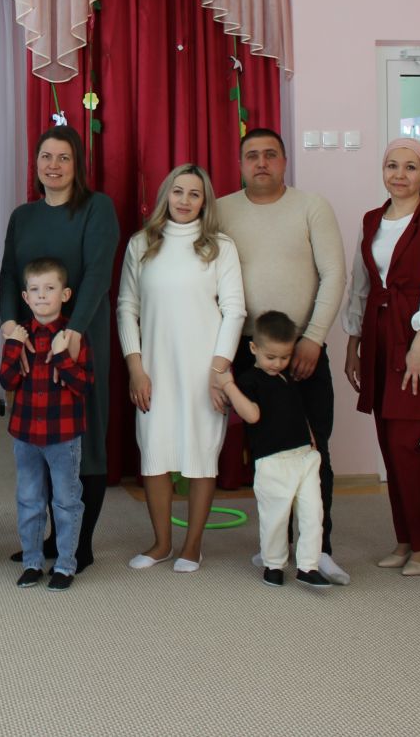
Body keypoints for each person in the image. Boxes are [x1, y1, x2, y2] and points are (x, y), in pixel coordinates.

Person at [217, 128, 351, 584]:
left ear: (284, 161)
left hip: (303, 349)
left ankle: (320, 549)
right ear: (240, 164)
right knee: (268, 454)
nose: (261, 162)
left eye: (270, 154)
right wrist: (220, 360)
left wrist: (313, 337)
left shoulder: (312, 207)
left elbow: (334, 274)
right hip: (247, 350)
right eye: (252, 155)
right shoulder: (222, 209)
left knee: (313, 450)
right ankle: (274, 547)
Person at [0, 125, 119, 572]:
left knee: (83, 438)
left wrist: (76, 331)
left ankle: (79, 546)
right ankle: (50, 539)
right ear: (36, 164)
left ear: (77, 164)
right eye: (46, 157)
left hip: (80, 338)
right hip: (32, 343)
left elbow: (98, 274)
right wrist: (10, 324)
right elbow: (9, 275)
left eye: (63, 157)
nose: (53, 165)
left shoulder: (97, 208)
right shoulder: (23, 216)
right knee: (40, 436)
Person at [118, 164, 245, 573]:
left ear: (205, 201)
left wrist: (219, 371)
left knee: (201, 455)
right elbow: (126, 308)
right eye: (178, 191)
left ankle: (192, 546)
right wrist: (135, 367)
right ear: (165, 196)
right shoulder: (142, 244)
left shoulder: (221, 247)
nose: (185, 200)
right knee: (155, 453)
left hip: (204, 371)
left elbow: (235, 310)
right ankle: (161, 544)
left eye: (194, 193)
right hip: (153, 369)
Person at [342, 137, 420, 576]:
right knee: (387, 447)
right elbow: (360, 284)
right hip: (377, 335)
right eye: (392, 165)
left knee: (404, 444)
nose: (400, 174)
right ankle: (405, 538)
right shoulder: (371, 219)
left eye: (411, 167)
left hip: (416, 340)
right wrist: (353, 343)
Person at [218, 312, 332, 590]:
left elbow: (297, 409)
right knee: (275, 517)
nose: (278, 363)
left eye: (285, 357)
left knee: (312, 513)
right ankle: (274, 565)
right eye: (271, 357)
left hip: (304, 457)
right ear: (253, 348)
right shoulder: (249, 380)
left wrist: (310, 437)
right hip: (272, 461)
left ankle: (308, 566)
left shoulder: (287, 377)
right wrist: (228, 385)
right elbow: (252, 415)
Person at [0, 258, 90, 592]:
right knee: (29, 500)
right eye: (35, 290)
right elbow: (7, 381)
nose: (41, 295)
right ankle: (32, 561)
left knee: (66, 501)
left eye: (49, 288)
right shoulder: (20, 335)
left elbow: (83, 385)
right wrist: (12, 345)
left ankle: (65, 564)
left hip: (62, 437)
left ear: (64, 294)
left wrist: (62, 355)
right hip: (25, 436)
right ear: (25, 297)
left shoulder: (72, 336)